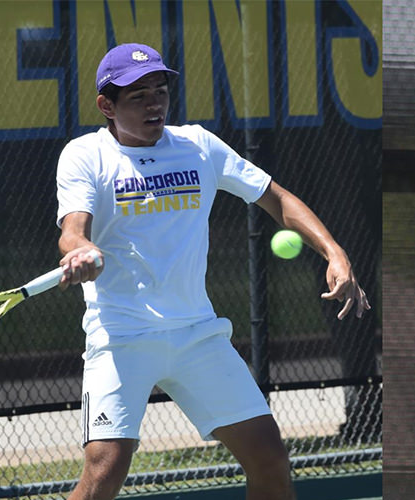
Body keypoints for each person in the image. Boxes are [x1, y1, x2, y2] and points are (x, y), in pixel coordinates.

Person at [54, 43, 370, 500]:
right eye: (138, 95)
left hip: (197, 335)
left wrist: (334, 253)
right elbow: (72, 230)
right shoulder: (84, 156)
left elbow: (277, 199)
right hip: (121, 336)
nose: (154, 103)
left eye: (159, 90)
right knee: (105, 471)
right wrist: (80, 250)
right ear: (107, 105)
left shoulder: (198, 146)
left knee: (270, 460)